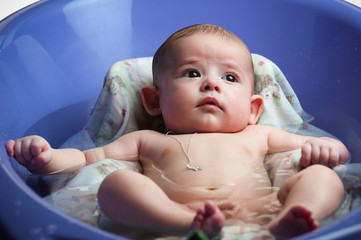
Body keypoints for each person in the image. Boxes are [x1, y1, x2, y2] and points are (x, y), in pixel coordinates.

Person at [5, 24, 349, 239]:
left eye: (229, 78)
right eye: (191, 74)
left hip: (262, 208)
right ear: (154, 100)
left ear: (253, 110)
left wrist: (329, 152)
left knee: (322, 177)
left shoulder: (258, 136)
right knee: (116, 185)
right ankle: (188, 223)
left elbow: (317, 146)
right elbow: (83, 158)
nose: (212, 84)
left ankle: (288, 223)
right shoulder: (148, 141)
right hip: (172, 215)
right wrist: (45, 158)